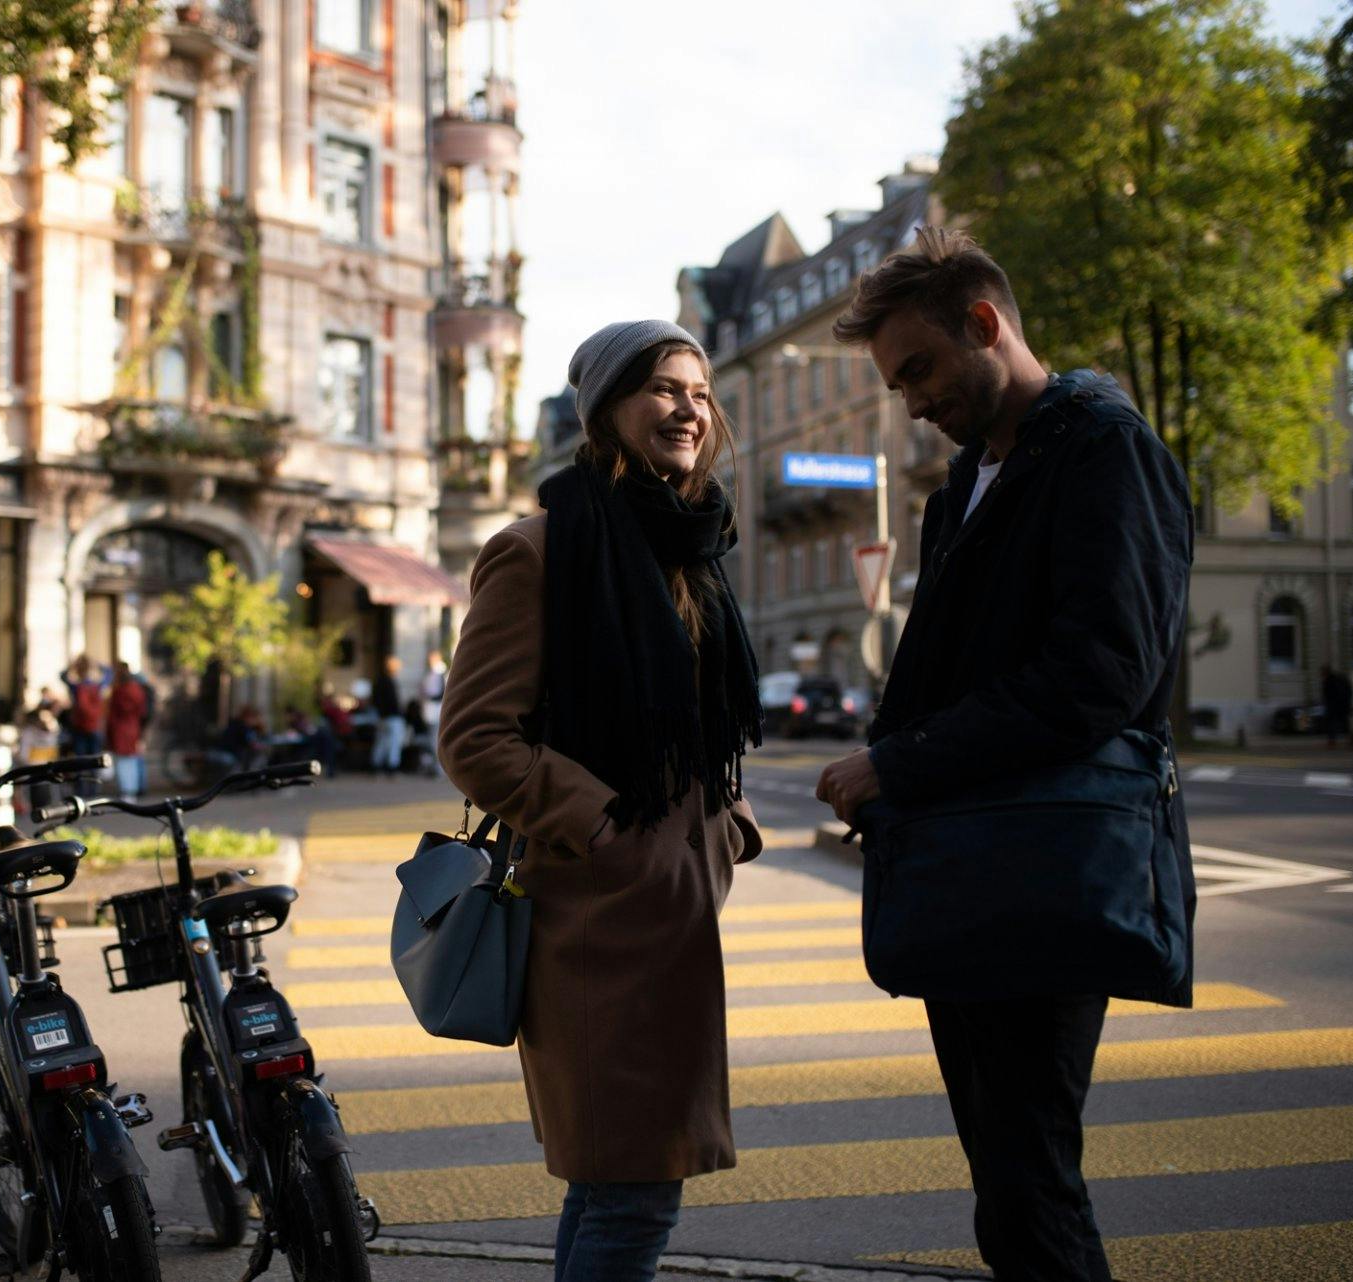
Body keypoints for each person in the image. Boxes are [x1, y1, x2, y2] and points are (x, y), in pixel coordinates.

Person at [814, 227, 1196, 1282]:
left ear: (985, 324)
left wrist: (899, 766)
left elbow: (1099, 676)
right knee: (1007, 1180)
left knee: (1030, 1186)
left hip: (1047, 859)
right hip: (975, 859)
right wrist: (888, 757)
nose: (911, 403)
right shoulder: (968, 483)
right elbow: (955, 668)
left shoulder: (1105, 451)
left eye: (919, 370)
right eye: (897, 383)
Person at [438, 319, 766, 1282]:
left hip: (670, 910)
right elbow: (476, 740)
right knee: (634, 1194)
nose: (689, 409)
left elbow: (694, 726)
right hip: (594, 922)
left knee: (613, 1185)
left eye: (700, 393)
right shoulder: (539, 552)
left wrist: (724, 829)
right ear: (606, 410)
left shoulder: (686, 553)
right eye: (663, 388)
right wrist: (610, 831)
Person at [106, 663, 150, 797]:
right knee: (132, 760)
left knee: (123, 762)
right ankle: (134, 788)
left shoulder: (118, 692)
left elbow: (113, 714)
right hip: (133, 728)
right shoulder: (137, 691)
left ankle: (127, 790)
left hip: (120, 729)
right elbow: (142, 711)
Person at [62, 656, 108, 757]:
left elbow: (62, 676)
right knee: (96, 758)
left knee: (81, 759)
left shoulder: (76, 687)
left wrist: (72, 665)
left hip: (79, 726)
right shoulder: (97, 687)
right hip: (94, 726)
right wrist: (97, 664)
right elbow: (109, 674)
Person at [370, 656, 406, 777]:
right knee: (393, 743)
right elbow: (393, 701)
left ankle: (376, 766)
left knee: (381, 742)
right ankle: (392, 768)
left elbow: (375, 700)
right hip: (392, 717)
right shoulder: (390, 682)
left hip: (382, 716)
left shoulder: (379, 681)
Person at [1321, 664, 1353, 748]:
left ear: (1326, 672)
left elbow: (1328, 694)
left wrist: (1327, 703)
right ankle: (1351, 739)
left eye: (1323, 672)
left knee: (1331, 724)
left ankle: (1332, 741)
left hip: (1334, 706)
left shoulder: (1329, 681)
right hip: (1342, 705)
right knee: (1344, 723)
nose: (1321, 674)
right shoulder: (1338, 679)